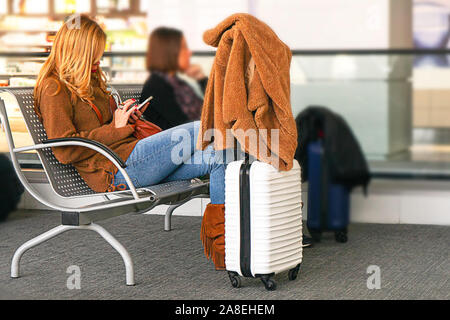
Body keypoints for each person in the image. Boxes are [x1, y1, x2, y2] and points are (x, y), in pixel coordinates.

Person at [33, 15, 228, 270]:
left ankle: (225, 245)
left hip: (133, 158)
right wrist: (116, 128)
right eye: (95, 53)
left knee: (220, 156)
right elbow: (64, 150)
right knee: (197, 129)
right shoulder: (54, 89)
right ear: (79, 50)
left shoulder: (91, 82)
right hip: (115, 171)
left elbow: (108, 127)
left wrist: (126, 117)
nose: (99, 59)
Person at [140, 27, 208, 130]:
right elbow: (186, 125)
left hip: (197, 137)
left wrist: (201, 79)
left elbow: (208, 109)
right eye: (184, 47)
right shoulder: (156, 85)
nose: (189, 52)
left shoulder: (176, 82)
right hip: (181, 142)